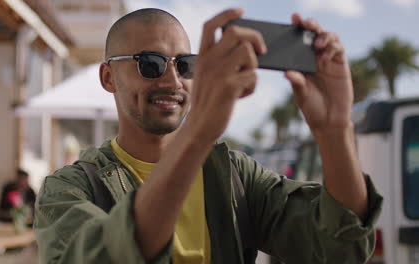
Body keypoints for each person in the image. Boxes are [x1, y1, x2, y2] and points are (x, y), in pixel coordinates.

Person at [34, 8, 383, 264]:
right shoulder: (70, 189)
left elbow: (339, 247)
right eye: (150, 63)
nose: (172, 81)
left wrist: (335, 129)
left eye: (185, 64)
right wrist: (200, 130)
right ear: (109, 78)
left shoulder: (234, 176)